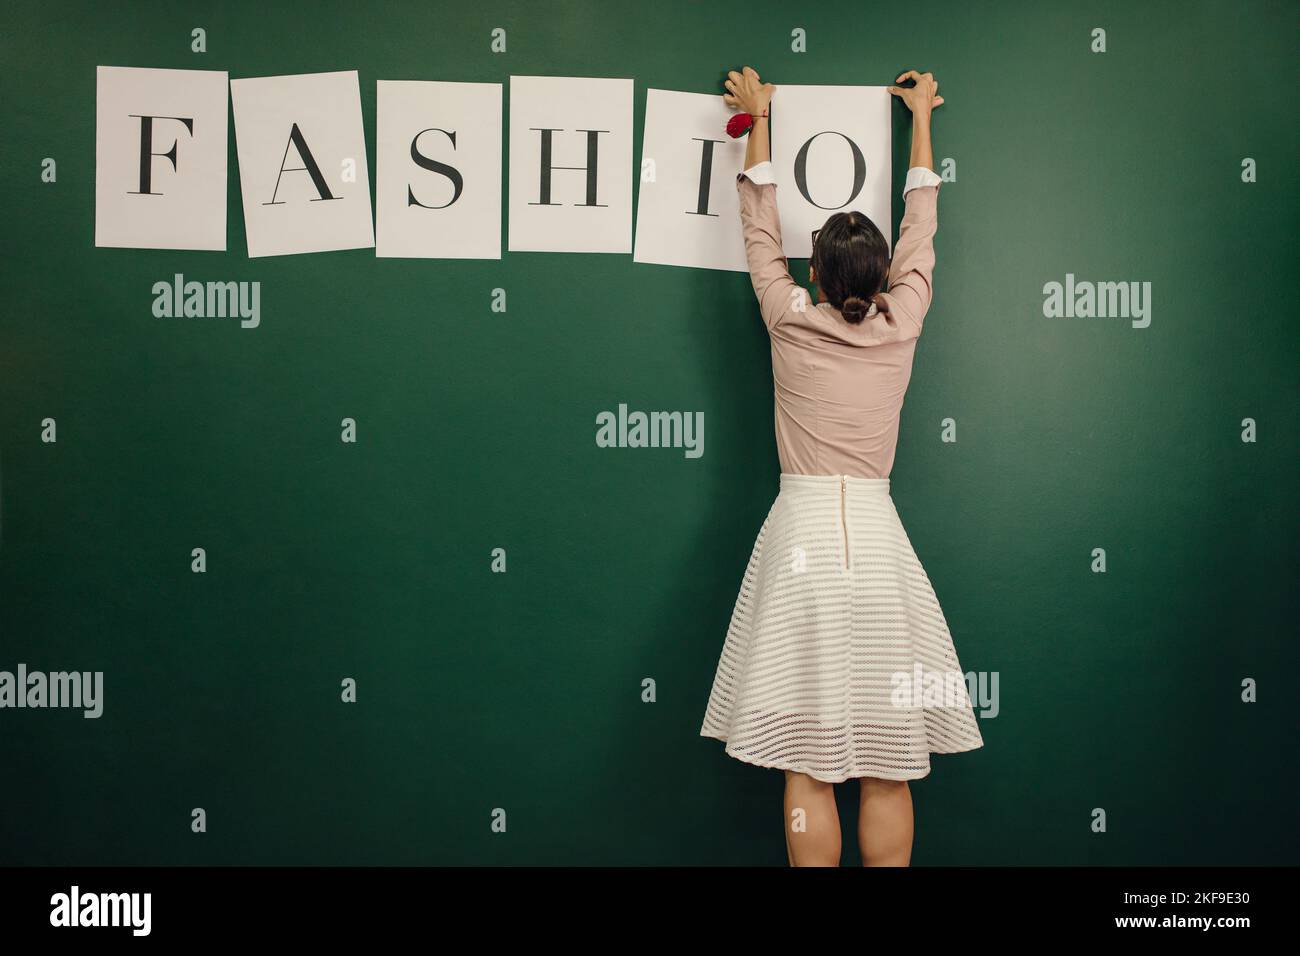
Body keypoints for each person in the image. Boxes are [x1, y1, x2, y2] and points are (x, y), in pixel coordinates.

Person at [699, 67, 984, 867]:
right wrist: (922, 115)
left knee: (808, 761)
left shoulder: (788, 318)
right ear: (882, 278)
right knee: (890, 763)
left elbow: (758, 224)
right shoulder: (906, 318)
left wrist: (758, 119)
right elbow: (922, 220)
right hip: (882, 551)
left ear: (818, 276)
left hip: (800, 549)